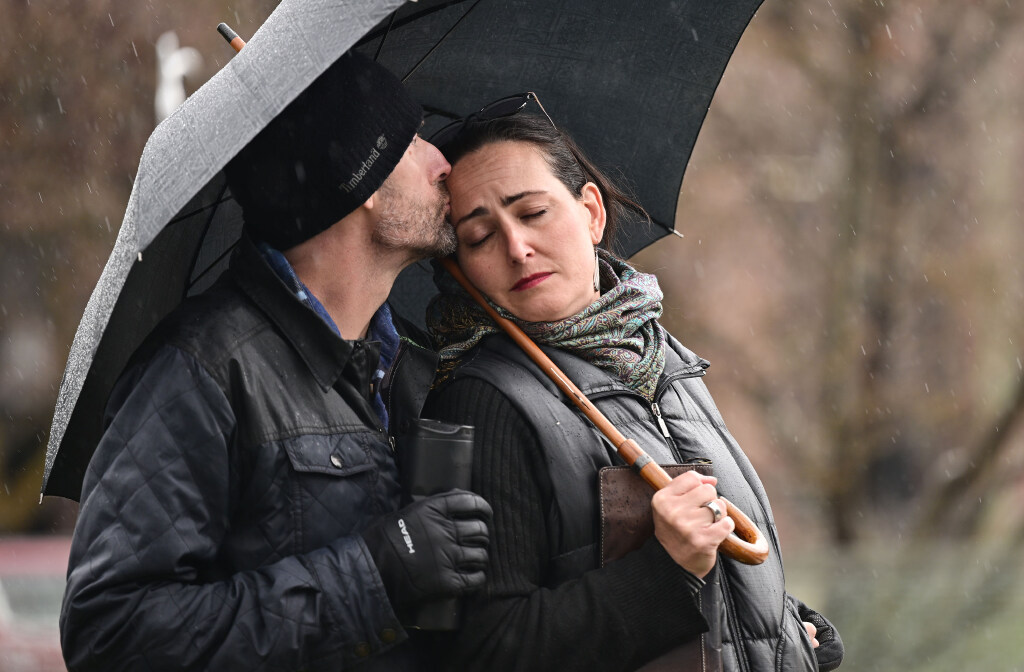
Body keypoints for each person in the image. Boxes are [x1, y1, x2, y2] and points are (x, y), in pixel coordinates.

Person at [59, 51, 492, 672]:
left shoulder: (413, 369)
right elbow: (112, 635)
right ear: (362, 182)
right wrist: (373, 574)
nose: (441, 163)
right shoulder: (203, 370)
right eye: (412, 142)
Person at [422, 111, 844, 671]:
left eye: (533, 213)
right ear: (460, 268)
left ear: (592, 212)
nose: (517, 248)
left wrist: (789, 634)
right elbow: (489, 649)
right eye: (479, 235)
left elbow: (713, 568)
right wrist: (664, 573)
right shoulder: (481, 402)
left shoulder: (661, 361)